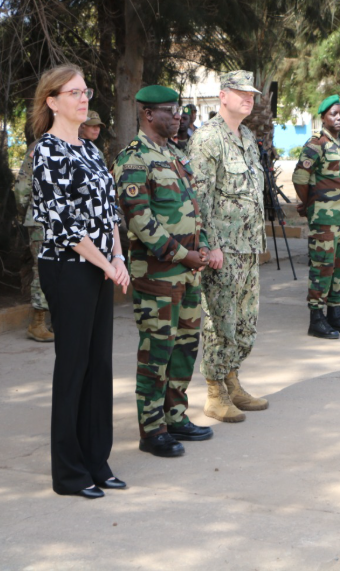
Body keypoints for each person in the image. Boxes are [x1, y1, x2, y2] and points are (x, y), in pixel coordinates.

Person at [30, 64, 130, 498]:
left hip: (101, 265)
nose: (83, 98)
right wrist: (106, 265)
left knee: (100, 365)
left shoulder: (90, 149)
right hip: (67, 267)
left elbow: (108, 212)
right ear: (52, 102)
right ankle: (69, 473)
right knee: (73, 367)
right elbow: (63, 226)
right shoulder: (46, 152)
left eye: (85, 91)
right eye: (73, 92)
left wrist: (118, 255)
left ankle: (97, 461)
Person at [114, 85, 213, 458]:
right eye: (170, 111)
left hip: (188, 272)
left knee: (186, 346)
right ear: (147, 114)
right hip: (158, 273)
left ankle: (175, 415)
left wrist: (199, 248)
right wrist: (182, 254)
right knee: (157, 351)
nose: (178, 116)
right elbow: (141, 221)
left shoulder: (175, 155)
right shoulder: (134, 159)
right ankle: (152, 430)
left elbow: (191, 208)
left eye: (179, 110)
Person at [187, 70, 269, 424]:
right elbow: (199, 199)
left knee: (246, 321)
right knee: (222, 322)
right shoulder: (208, 139)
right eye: (240, 93)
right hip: (224, 251)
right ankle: (214, 393)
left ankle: (232, 380)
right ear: (223, 96)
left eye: (251, 94)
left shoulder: (248, 136)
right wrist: (210, 246)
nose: (247, 98)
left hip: (248, 246)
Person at [293, 95, 340, 338]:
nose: (339, 118)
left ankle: (335, 313)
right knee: (323, 267)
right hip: (325, 220)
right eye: (333, 114)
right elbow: (300, 177)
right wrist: (311, 204)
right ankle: (316, 318)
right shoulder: (316, 144)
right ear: (323, 118)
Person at [13, 141, 54, 342]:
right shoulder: (40, 147)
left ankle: (56, 321)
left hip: (53, 219)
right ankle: (37, 323)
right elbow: (22, 187)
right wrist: (26, 213)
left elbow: (21, 188)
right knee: (44, 269)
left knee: (51, 269)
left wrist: (24, 212)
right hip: (42, 220)